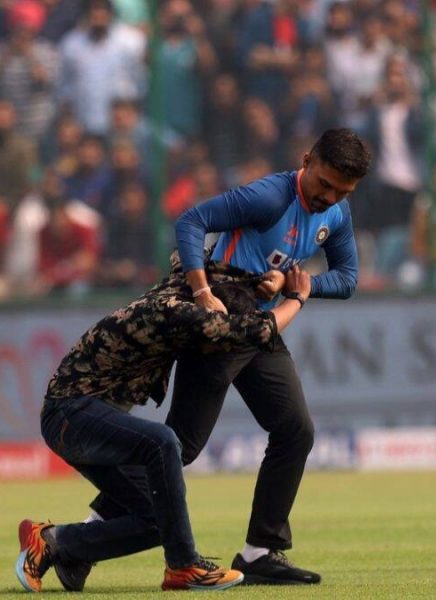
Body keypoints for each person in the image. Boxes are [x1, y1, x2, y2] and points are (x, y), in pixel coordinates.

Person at [93, 128, 370, 585]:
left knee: (294, 431)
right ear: (306, 160)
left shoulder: (336, 212)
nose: (330, 197)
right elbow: (190, 221)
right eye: (325, 184)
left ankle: (261, 551)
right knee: (179, 448)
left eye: (343, 191)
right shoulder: (269, 197)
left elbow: (348, 278)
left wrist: (297, 286)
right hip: (221, 324)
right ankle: (77, 540)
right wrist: (202, 292)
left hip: (259, 328)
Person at [16, 261, 312, 593]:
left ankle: (56, 543)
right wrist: (297, 297)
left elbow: (188, 259)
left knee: (162, 519)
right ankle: (184, 566)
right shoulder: (177, 312)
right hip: (70, 413)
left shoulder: (180, 292)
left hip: (85, 417)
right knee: (162, 442)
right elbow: (257, 331)